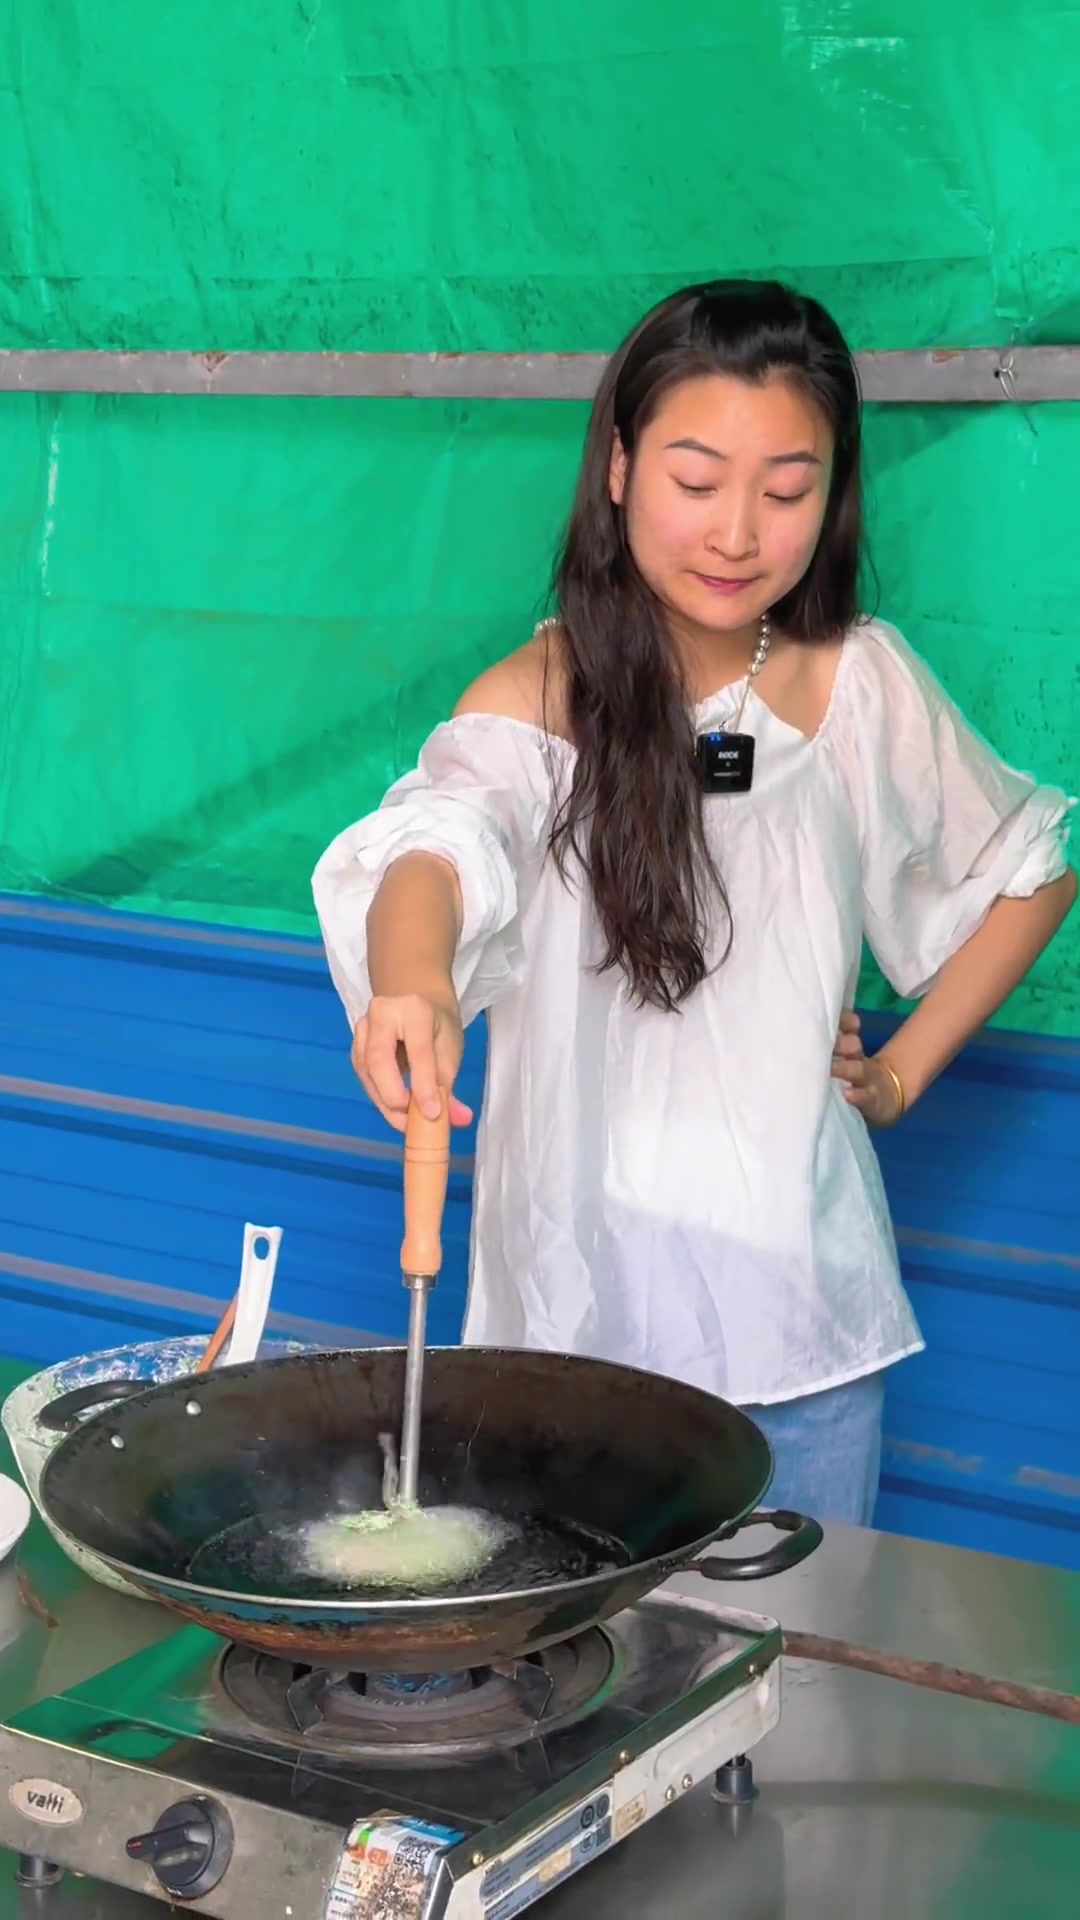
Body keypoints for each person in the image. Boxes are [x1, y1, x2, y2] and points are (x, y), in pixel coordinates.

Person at [312, 279, 1075, 1526]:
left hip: (804, 1335)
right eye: (697, 478)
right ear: (617, 467)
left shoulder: (855, 685)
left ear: (831, 495)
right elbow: (436, 844)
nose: (737, 534)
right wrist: (414, 980)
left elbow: (1033, 864)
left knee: (799, 1684)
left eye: (786, 491)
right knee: (579, 1690)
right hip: (569, 1338)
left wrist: (897, 1076)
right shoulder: (537, 697)